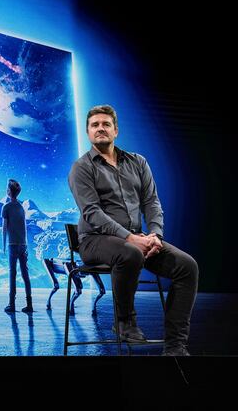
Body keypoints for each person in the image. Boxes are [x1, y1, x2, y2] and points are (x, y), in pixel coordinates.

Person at [68, 105, 198, 356]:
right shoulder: (81, 168)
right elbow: (92, 213)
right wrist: (130, 238)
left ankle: (175, 346)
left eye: (106, 124)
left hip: (137, 240)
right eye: (94, 125)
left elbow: (152, 202)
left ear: (116, 130)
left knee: (187, 267)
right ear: (88, 133)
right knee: (130, 253)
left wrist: (156, 236)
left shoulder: (138, 162)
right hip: (95, 241)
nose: (100, 129)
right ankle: (124, 323)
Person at [2, 179, 33, 314]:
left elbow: (4, 228)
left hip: (12, 244)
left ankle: (11, 304)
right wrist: (25, 244)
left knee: (12, 274)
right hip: (23, 244)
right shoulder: (21, 207)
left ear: (9, 191)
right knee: (25, 274)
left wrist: (3, 245)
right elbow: (24, 227)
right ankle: (29, 304)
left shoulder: (6, 207)